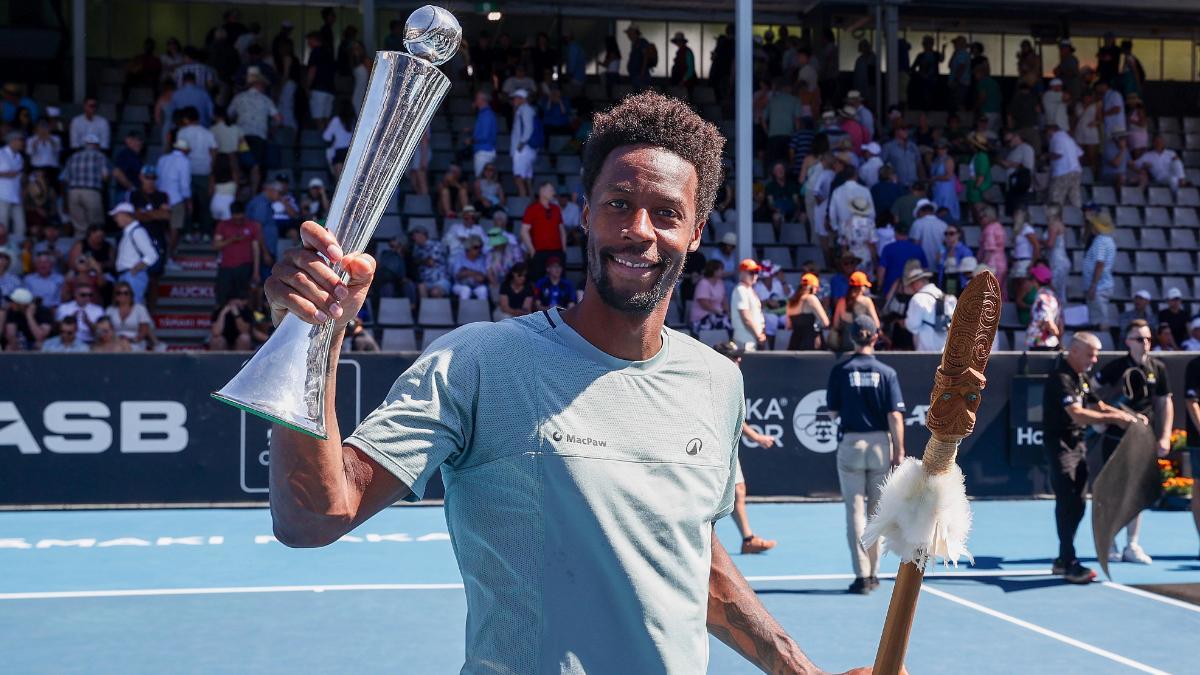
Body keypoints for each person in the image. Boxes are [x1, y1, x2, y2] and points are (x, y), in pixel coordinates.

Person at [260, 92, 854, 672]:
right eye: (618, 204)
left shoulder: (717, 380)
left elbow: (687, 554)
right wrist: (309, 339)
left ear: (695, 231)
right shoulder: (480, 362)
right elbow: (313, 518)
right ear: (585, 213)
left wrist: (800, 670)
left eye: (667, 213)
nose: (640, 230)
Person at [1043, 333, 1142, 584]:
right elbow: (1077, 413)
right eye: (1090, 354)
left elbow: (1098, 405)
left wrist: (1128, 416)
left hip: (1078, 445)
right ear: (1074, 351)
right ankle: (1068, 561)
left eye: (1096, 354)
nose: (1094, 360)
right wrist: (1116, 419)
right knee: (1068, 501)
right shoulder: (1061, 378)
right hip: (1060, 445)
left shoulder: (1080, 377)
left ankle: (1062, 558)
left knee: (1078, 503)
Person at [825, 314, 906, 593]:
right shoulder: (887, 372)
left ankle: (861, 575)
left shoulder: (841, 369)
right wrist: (899, 449)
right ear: (875, 336)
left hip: (851, 441)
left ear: (852, 337)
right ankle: (873, 573)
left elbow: (833, 410)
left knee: (855, 512)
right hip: (879, 444)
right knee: (876, 512)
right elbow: (895, 415)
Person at [1093, 319, 1173, 564]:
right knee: (1113, 491)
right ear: (1128, 342)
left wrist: (1165, 435)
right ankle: (1110, 544)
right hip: (1116, 437)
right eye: (1139, 338)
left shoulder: (1158, 368)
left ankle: (1132, 545)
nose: (1145, 343)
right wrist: (1105, 417)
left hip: (1143, 439)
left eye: (1149, 338)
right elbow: (1091, 393)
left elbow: (1164, 402)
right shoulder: (1114, 368)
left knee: (1136, 492)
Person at [711, 341, 778, 554]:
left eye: (739, 356)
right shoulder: (715, 380)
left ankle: (748, 539)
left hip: (727, 445)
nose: (739, 360)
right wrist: (757, 438)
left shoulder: (730, 379)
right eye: (734, 356)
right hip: (712, 446)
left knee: (738, 490)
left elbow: (736, 419)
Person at [213, 201, 265, 306]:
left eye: (240, 218)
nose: (238, 221)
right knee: (223, 298)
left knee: (244, 299)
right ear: (231, 214)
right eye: (235, 218)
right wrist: (231, 240)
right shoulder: (223, 225)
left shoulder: (252, 226)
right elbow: (215, 245)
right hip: (226, 267)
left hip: (245, 267)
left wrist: (256, 272)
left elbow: (256, 250)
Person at [111, 203, 159, 305]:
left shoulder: (137, 232)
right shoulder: (129, 232)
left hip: (132, 275)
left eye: (117, 216)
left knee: (133, 306)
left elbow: (152, 255)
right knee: (126, 307)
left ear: (125, 215)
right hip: (126, 275)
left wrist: (137, 268)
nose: (115, 219)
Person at [60, 134, 111, 232]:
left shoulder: (73, 157)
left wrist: (65, 200)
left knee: (79, 228)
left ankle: (80, 244)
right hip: (91, 192)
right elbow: (105, 177)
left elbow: (64, 179)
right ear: (97, 145)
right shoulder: (100, 156)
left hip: (73, 193)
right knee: (96, 226)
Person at [903, 267, 956, 353]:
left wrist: (904, 323)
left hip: (926, 351)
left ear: (917, 283)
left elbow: (912, 325)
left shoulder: (918, 298)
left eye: (912, 284)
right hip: (946, 351)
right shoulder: (947, 297)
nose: (912, 288)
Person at [521, 182, 565, 282]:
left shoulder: (556, 208)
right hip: (539, 252)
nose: (553, 192)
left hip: (557, 251)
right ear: (542, 191)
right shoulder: (532, 209)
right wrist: (532, 250)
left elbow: (562, 230)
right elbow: (524, 231)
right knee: (538, 281)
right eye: (551, 190)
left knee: (559, 281)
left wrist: (563, 250)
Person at [1083, 207, 1117, 331]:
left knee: (1099, 321)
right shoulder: (1109, 240)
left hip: (1099, 287)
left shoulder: (1101, 242)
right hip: (1102, 285)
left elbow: (1100, 263)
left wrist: (1093, 285)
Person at [831, 271, 881, 352]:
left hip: (845, 345)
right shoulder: (866, 301)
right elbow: (876, 324)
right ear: (862, 287)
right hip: (862, 346)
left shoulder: (841, 301)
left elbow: (835, 325)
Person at [106, 280, 155, 350]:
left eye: (126, 293)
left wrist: (131, 340)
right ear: (115, 296)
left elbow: (144, 331)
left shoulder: (140, 309)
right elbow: (106, 329)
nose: (122, 295)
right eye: (119, 293)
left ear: (131, 295)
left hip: (136, 342)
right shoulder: (110, 310)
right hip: (115, 342)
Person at [786, 272, 830, 350]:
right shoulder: (811, 298)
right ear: (812, 287)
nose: (818, 290)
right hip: (811, 342)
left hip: (794, 342)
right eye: (817, 287)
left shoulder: (791, 302)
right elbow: (825, 322)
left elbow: (788, 326)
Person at [1024, 264, 1062, 351]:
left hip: (1041, 343)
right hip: (1046, 342)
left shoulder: (1042, 298)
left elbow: (1047, 319)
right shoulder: (1051, 295)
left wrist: (1055, 332)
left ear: (1035, 281)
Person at [731, 258, 765, 352]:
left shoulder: (749, 290)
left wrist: (761, 334)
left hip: (753, 339)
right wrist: (759, 336)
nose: (754, 275)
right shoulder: (740, 290)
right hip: (744, 340)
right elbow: (746, 318)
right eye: (751, 272)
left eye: (756, 272)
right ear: (742, 273)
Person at [509, 89, 538, 198]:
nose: (514, 100)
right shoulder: (524, 109)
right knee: (527, 178)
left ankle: (523, 202)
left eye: (516, 98)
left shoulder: (525, 109)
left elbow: (528, 128)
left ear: (522, 99)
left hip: (523, 149)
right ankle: (528, 201)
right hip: (526, 149)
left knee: (518, 177)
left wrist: (521, 144)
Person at [690, 260, 730, 334]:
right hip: (702, 317)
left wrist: (727, 312)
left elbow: (724, 300)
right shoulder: (703, 283)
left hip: (717, 315)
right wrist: (717, 311)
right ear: (713, 270)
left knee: (728, 322)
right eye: (720, 269)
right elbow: (703, 303)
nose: (722, 271)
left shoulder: (720, 282)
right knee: (722, 323)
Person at [0, 131, 25, 244]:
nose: (22, 143)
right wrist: (5, 174)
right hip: (2, 196)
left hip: (16, 196)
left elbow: (18, 177)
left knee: (21, 227)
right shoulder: (1, 154)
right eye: (20, 140)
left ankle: (17, 252)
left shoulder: (20, 157)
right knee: (2, 227)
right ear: (12, 141)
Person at [450, 235, 490, 301]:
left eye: (480, 247)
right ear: (468, 248)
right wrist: (475, 273)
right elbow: (458, 276)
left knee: (483, 290)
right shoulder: (459, 257)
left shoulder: (482, 258)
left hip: (477, 286)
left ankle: (482, 311)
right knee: (466, 290)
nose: (479, 250)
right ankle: (464, 311)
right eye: (476, 247)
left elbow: (481, 278)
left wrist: (467, 271)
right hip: (460, 285)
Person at [468, 91, 497, 178]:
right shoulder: (483, 114)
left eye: (477, 99)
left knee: (481, 181)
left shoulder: (486, 114)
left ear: (482, 100)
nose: (475, 101)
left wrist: (471, 140)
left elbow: (485, 135)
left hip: (484, 152)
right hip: (484, 150)